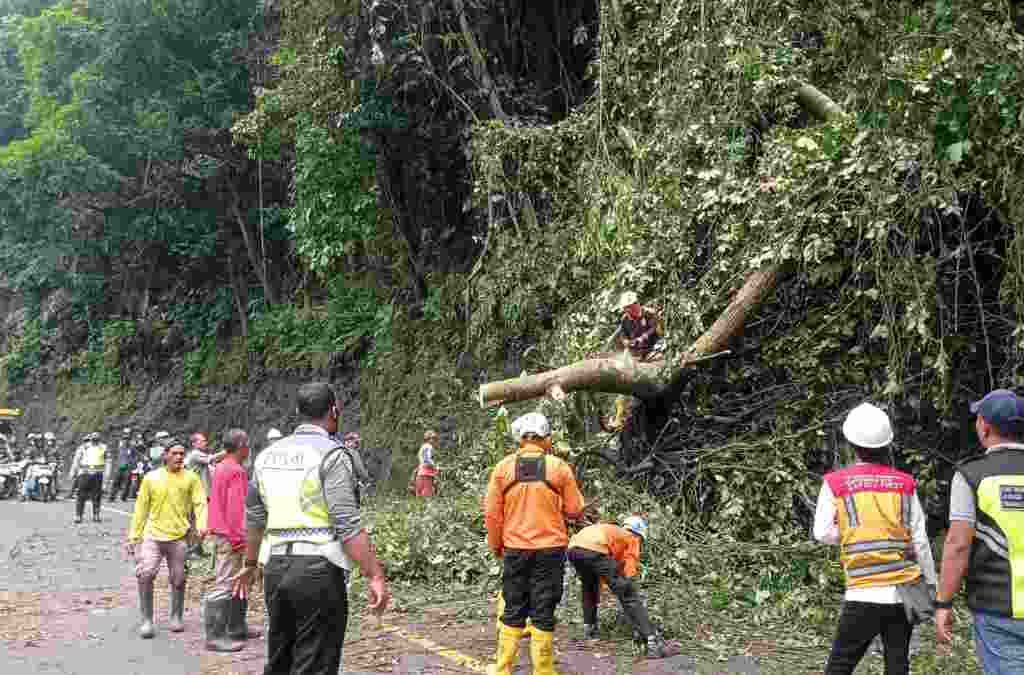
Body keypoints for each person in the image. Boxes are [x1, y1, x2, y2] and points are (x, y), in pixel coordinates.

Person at [234, 382, 390, 675]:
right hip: (318, 570)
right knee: (315, 662)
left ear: (298, 413)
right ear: (334, 411)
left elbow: (254, 518)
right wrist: (375, 574)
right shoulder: (332, 455)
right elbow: (347, 523)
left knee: (281, 657)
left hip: (276, 569)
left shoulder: (267, 456)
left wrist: (250, 564)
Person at [813, 402, 937, 675]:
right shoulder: (905, 484)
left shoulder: (836, 483)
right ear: (886, 444)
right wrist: (930, 585)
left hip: (863, 590)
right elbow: (920, 540)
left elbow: (822, 532)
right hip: (903, 592)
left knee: (840, 665)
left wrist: (853, 534)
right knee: (897, 664)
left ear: (850, 443)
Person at [484, 412, 586, 675]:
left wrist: (497, 545)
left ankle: (502, 669)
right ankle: (543, 671)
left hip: (515, 550)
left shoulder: (503, 468)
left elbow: (492, 515)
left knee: (513, 606)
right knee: (544, 608)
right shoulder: (559, 467)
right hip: (550, 552)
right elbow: (576, 510)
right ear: (545, 438)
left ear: (521, 439)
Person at [936, 389, 1024, 673]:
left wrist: (943, 603)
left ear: (984, 426)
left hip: (997, 610)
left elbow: (958, 545)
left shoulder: (971, 475)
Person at [126, 437, 207, 639]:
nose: (179, 457)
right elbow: (141, 509)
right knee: (145, 574)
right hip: (153, 536)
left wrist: (203, 525)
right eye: (175, 453)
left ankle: (176, 616)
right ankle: (146, 620)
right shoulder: (151, 478)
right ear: (165, 456)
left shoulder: (191, 478)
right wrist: (133, 537)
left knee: (178, 578)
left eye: (182, 453)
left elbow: (200, 503)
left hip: (179, 536)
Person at [567, 516, 668, 657]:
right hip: (594, 549)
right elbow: (629, 568)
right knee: (628, 594)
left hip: (573, 549)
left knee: (589, 588)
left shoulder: (613, 531)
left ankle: (589, 630)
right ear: (639, 532)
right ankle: (652, 641)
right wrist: (627, 589)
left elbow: (602, 569)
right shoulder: (632, 537)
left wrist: (614, 584)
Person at [202, 428, 259, 652]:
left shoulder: (222, 467)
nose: (249, 449)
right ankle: (215, 635)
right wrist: (239, 540)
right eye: (247, 444)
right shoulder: (235, 471)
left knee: (239, 582)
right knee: (226, 584)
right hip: (229, 535)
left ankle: (236, 626)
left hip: (222, 531)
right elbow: (237, 510)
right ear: (242, 446)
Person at [615, 292, 664, 361]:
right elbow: (623, 335)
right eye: (626, 308)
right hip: (637, 351)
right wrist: (626, 342)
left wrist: (644, 336)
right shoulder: (625, 319)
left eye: (631, 306)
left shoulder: (650, 314)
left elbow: (658, 330)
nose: (629, 310)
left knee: (656, 356)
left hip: (653, 348)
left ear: (637, 304)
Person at [75, 432, 108, 524]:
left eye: (96, 439)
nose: (95, 441)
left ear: (99, 439)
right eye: (93, 439)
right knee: (81, 495)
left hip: (98, 473)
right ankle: (78, 515)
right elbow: (77, 459)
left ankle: (96, 515)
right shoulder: (83, 447)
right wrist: (74, 471)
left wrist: (107, 474)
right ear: (90, 439)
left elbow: (108, 461)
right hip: (85, 472)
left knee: (96, 495)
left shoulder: (103, 447)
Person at [110, 428, 136, 501]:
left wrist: (132, 464)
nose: (126, 440)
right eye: (125, 439)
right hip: (119, 466)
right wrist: (115, 463)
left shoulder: (132, 447)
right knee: (116, 482)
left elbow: (135, 456)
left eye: (127, 439)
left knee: (127, 483)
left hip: (127, 467)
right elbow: (114, 454)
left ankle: (123, 497)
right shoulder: (119, 446)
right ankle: (112, 497)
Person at [413, 430, 439, 497]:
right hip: (427, 472)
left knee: (419, 491)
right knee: (427, 492)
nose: (434, 441)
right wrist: (435, 466)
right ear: (429, 439)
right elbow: (427, 459)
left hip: (421, 471)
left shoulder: (423, 446)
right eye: (433, 439)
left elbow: (421, 458)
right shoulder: (428, 447)